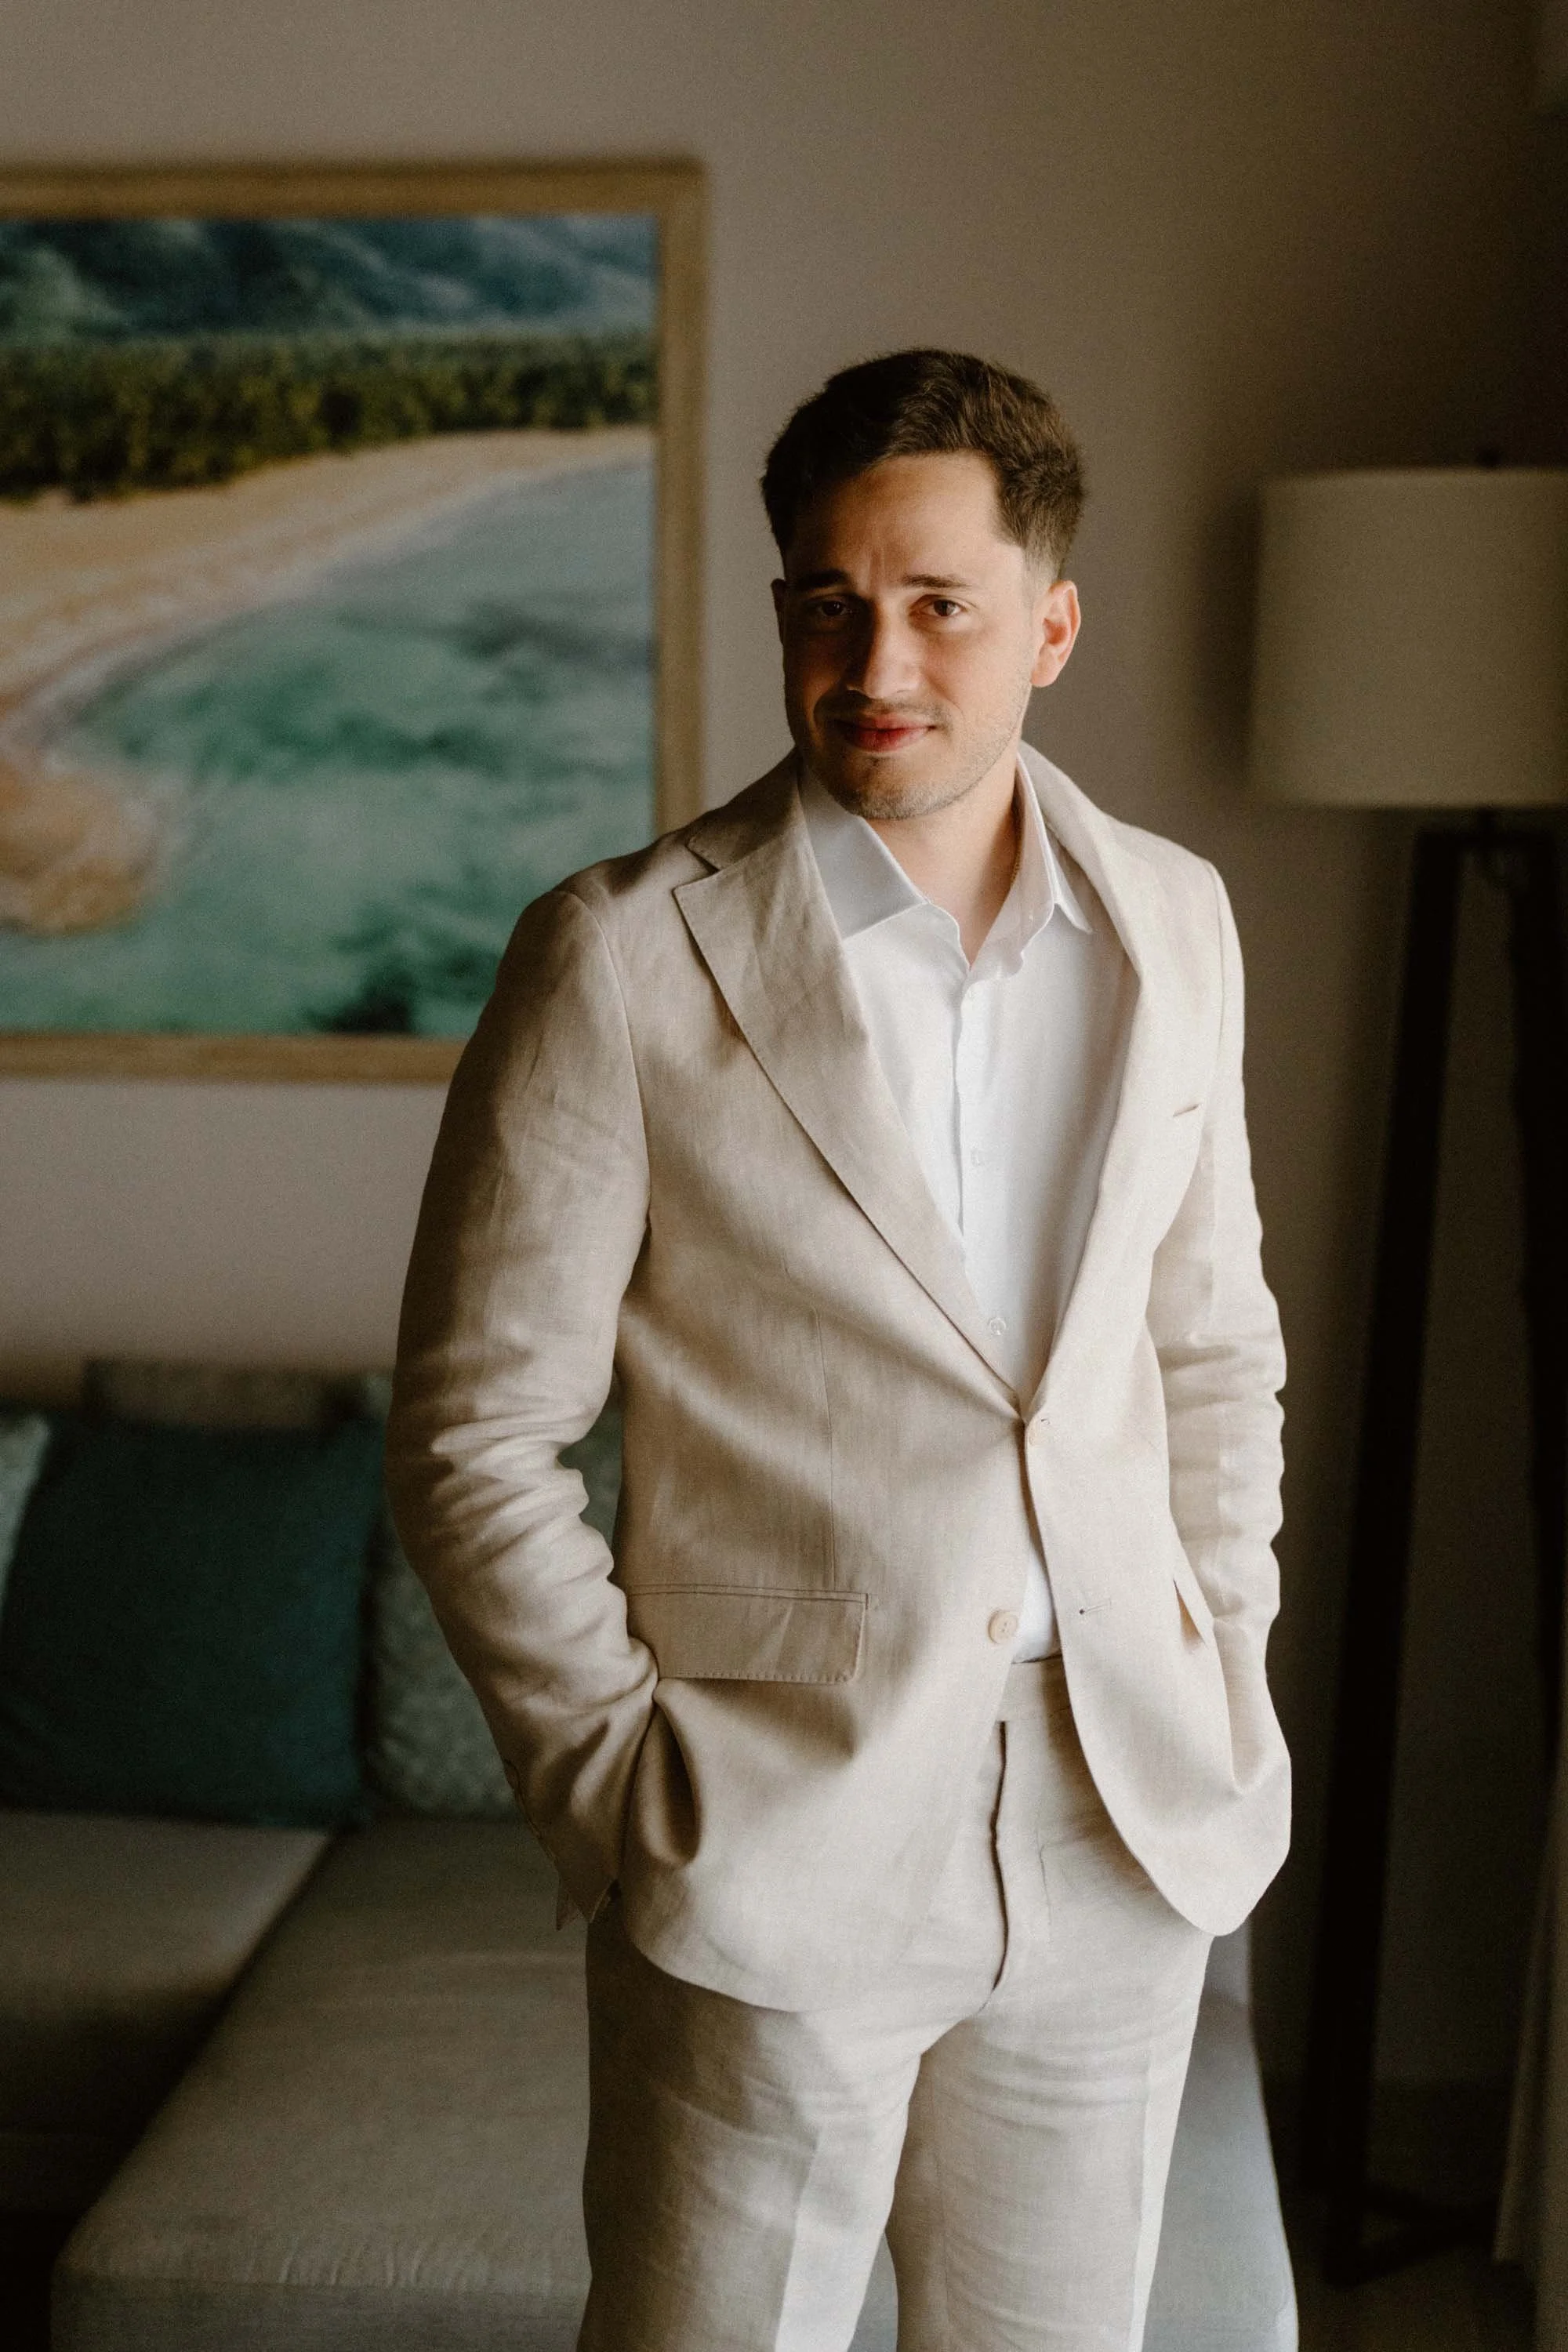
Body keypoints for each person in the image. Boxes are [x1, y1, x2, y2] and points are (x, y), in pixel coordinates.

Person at [387, 347, 1290, 2352]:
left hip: (1117, 1823)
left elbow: (1211, 1352)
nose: (872, 658)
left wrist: (1215, 1651)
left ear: (1050, 625)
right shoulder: (618, 957)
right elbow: (474, 1436)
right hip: (768, 1834)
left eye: (937, 605)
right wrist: (623, 1791)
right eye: (825, 602)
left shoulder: (1179, 924)